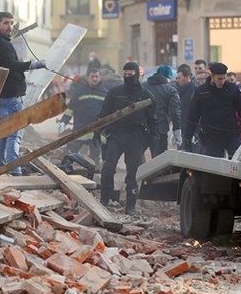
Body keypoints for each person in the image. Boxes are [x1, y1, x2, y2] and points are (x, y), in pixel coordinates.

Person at [0, 11, 47, 175]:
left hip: (1, 95)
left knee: (3, 134)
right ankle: (14, 170)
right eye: (5, 23)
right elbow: (10, 64)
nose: (10, 27)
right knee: (14, 135)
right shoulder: (3, 44)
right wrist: (32, 65)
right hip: (11, 95)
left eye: (11, 23)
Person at [93, 61, 157, 215]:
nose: (128, 77)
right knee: (108, 167)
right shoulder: (115, 92)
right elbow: (104, 114)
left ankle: (131, 205)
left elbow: (152, 120)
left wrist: (149, 140)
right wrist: (97, 131)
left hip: (136, 136)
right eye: (125, 74)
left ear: (137, 75)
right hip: (116, 134)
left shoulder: (146, 95)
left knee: (133, 173)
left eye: (131, 75)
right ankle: (104, 200)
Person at [184, 62, 241, 158]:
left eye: (224, 78)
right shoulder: (201, 92)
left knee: (239, 159)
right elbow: (193, 116)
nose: (222, 82)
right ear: (212, 76)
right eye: (219, 79)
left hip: (231, 133)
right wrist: (188, 137)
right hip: (212, 136)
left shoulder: (232, 89)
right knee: (215, 166)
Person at [57, 68, 107, 170]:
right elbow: (71, 108)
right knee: (70, 152)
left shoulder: (105, 93)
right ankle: (65, 173)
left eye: (97, 77)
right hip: (80, 129)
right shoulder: (79, 91)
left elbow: (108, 112)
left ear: (100, 78)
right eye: (92, 76)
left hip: (96, 133)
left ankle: (94, 176)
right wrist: (63, 121)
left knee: (95, 157)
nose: (94, 79)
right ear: (88, 77)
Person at [142, 64, 181, 157]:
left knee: (138, 158)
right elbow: (175, 113)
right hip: (160, 129)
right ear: (168, 77)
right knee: (159, 160)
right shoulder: (170, 90)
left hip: (142, 127)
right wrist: (176, 131)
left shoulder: (143, 87)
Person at [175, 64, 197, 150]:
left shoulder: (194, 90)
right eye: (177, 78)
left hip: (192, 128)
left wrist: (196, 133)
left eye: (179, 78)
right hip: (181, 128)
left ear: (187, 77)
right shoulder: (177, 91)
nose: (177, 80)